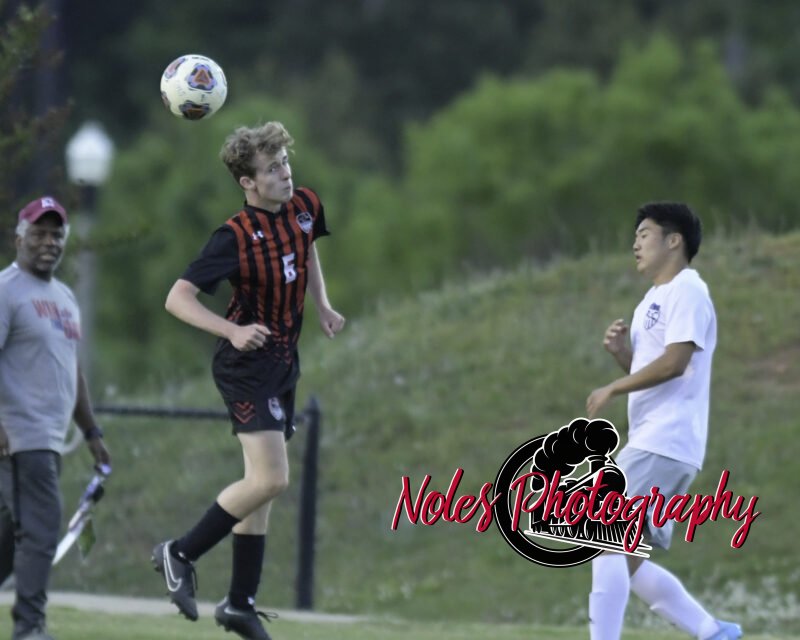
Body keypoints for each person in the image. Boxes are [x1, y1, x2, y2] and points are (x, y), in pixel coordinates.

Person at [153, 121, 345, 640]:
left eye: (285, 162)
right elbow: (177, 299)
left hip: (282, 363)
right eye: (272, 169)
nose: (284, 174)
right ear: (247, 182)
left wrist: (322, 305)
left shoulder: (304, 205)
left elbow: (305, 247)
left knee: (262, 489)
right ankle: (179, 552)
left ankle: (239, 604)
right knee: (271, 479)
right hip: (246, 367)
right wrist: (232, 330)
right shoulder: (234, 236)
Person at [585, 202, 742, 640]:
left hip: (664, 441)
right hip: (659, 442)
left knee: (604, 539)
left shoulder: (688, 290)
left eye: (645, 234)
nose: (635, 244)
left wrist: (615, 387)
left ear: (674, 241)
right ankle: (713, 631)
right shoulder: (650, 301)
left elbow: (675, 364)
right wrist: (624, 357)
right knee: (627, 561)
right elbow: (657, 371)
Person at [0, 196, 111, 640]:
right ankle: (30, 627)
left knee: (10, 536)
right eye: (39, 234)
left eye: (56, 234)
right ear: (19, 239)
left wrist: (92, 432)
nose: (49, 242)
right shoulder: (6, 290)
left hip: (49, 438)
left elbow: (72, 368)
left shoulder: (64, 297)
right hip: (17, 436)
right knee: (42, 529)